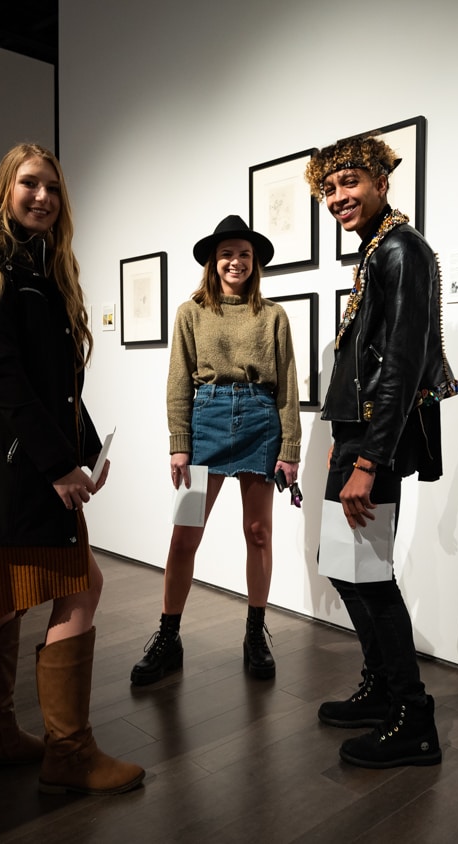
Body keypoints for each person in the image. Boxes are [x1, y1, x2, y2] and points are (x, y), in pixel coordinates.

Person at [0, 142, 144, 795]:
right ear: (5, 188)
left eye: (52, 186)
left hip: (17, 457)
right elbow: (1, 374)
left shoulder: (47, 268)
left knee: (0, 604)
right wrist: (57, 464)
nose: (43, 196)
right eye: (29, 183)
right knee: (74, 585)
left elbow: (57, 385)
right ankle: (68, 752)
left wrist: (84, 451)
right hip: (7, 463)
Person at [304, 134, 452, 768]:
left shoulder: (400, 250)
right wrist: (347, 441)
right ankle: (384, 688)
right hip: (357, 434)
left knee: (366, 572)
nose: (338, 196)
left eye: (349, 182)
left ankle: (413, 717)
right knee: (344, 565)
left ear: (381, 182)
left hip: (373, 441)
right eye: (329, 188)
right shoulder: (376, 251)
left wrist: (368, 460)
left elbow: (402, 364)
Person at [130, 215, 302, 686]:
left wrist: (290, 448)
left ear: (254, 262)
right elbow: (177, 381)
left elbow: (288, 386)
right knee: (184, 536)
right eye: (227, 254)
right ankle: (168, 637)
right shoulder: (191, 313)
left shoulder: (273, 316)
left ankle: (255, 634)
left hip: (261, 421)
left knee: (258, 533)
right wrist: (179, 443)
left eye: (244, 254)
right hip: (206, 421)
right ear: (213, 261)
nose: (236, 262)